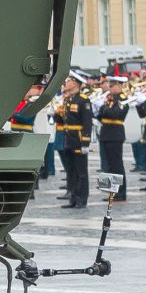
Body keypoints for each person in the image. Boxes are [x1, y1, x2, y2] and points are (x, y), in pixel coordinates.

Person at [53, 73, 91, 208]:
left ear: (76, 84)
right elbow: (63, 121)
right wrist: (56, 114)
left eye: (70, 81)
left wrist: (85, 142)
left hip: (79, 140)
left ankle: (82, 199)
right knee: (71, 170)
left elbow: (87, 124)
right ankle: (73, 199)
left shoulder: (83, 100)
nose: (67, 83)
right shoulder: (68, 99)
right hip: (68, 139)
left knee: (81, 172)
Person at [94, 76, 128, 201]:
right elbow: (101, 115)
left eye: (112, 86)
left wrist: (103, 108)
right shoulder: (110, 98)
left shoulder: (123, 99)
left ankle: (120, 193)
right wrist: (99, 110)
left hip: (115, 134)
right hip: (105, 133)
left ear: (119, 86)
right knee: (107, 164)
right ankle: (109, 192)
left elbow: (116, 114)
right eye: (110, 85)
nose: (110, 88)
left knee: (116, 165)